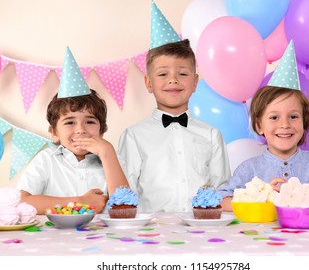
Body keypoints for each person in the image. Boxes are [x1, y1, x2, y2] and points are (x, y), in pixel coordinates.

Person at [117, 38, 230, 212]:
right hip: (151, 229)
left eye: (183, 74)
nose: (173, 80)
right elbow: (125, 191)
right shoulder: (133, 135)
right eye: (163, 74)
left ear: (195, 82)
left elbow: (221, 189)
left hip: (201, 228)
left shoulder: (211, 135)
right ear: (149, 83)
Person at [217, 85, 309, 212]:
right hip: (263, 241)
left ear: (304, 123)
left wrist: (307, 204)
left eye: (293, 116)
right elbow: (221, 200)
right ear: (259, 126)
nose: (285, 124)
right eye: (274, 117)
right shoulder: (249, 168)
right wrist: (260, 199)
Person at [17, 47, 128, 214]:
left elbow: (125, 210)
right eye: (69, 122)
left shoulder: (112, 160)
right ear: (54, 132)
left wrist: (107, 152)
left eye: (90, 121)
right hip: (56, 238)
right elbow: (23, 203)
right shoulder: (46, 161)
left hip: (104, 238)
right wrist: (80, 202)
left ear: (102, 130)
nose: (80, 130)